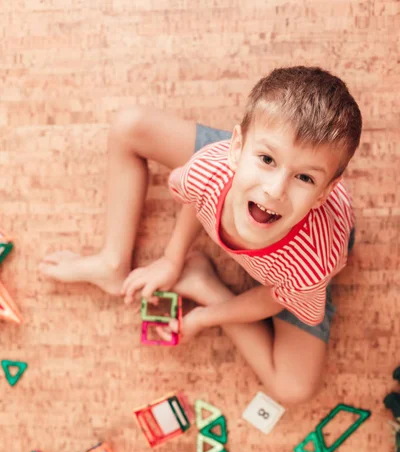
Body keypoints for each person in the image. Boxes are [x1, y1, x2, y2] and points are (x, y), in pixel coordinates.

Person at [40, 66, 362, 405]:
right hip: (230, 168)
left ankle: (205, 283)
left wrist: (205, 316)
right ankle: (111, 262)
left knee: (293, 389)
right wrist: (170, 258)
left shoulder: (312, 264)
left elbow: (274, 297)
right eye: (267, 160)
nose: (274, 190)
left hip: (289, 275)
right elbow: (199, 197)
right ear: (235, 148)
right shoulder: (210, 167)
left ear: (326, 192)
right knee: (127, 126)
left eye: (305, 179)